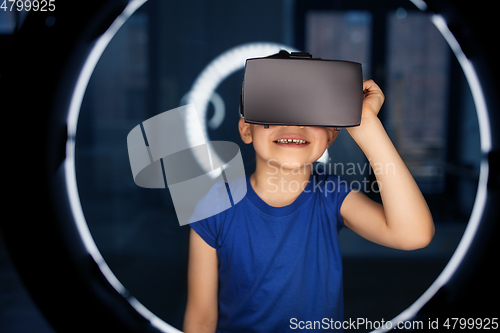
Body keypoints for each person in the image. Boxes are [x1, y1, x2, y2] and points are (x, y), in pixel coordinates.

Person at [183, 79, 435, 332]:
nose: (294, 123)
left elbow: (413, 234)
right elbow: (201, 318)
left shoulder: (331, 194)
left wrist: (367, 125)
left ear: (332, 134)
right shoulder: (215, 206)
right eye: (274, 110)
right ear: (247, 129)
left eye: (311, 112)